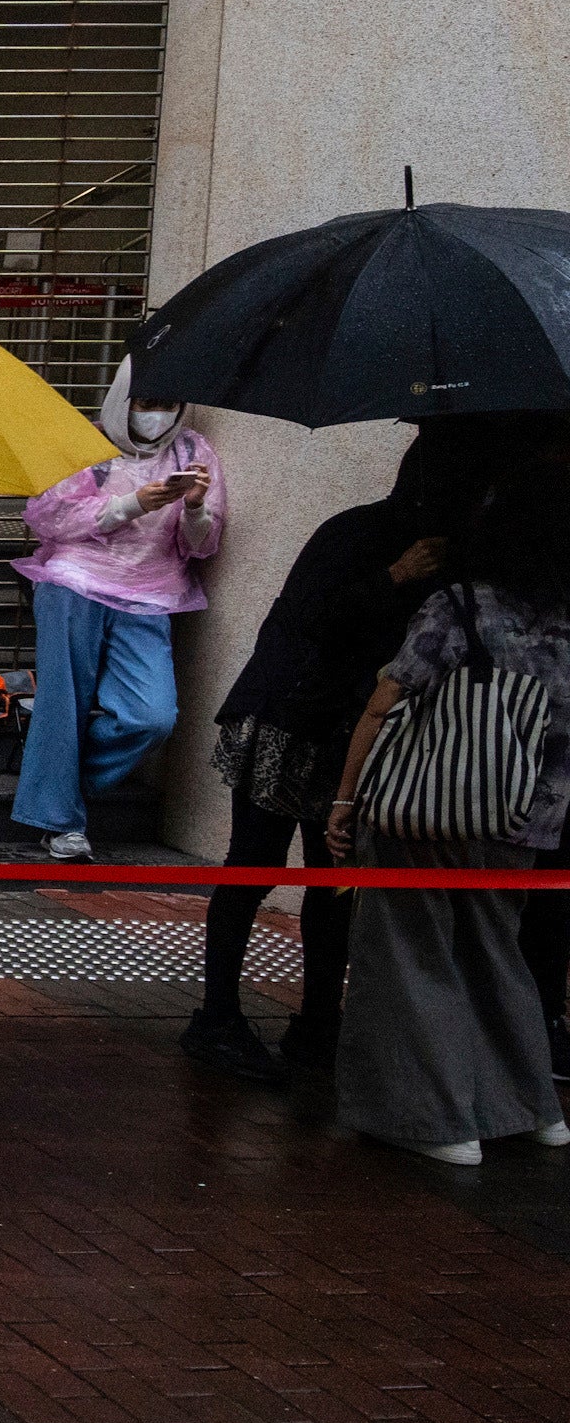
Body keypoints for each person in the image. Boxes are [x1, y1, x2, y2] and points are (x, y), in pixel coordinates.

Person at [188, 422, 491, 1082]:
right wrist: (392, 576)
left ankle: (319, 1024)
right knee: (254, 865)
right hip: (286, 722)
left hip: (346, 733)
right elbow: (304, 620)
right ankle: (215, 1017)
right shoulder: (356, 533)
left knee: (333, 881)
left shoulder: (452, 557)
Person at [329, 445, 570, 1165]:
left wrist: (347, 799)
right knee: (499, 952)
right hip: (528, 817)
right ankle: (532, 1107)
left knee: (412, 953)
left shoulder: (461, 604)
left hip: (429, 810)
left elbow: (386, 700)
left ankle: (434, 1119)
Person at [10, 362, 222, 861]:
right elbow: (51, 519)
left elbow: (203, 544)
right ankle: (59, 820)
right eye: (146, 404)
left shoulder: (193, 451)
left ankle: (58, 776)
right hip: (74, 582)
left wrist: (193, 505)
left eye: (168, 405)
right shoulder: (87, 445)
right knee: (66, 700)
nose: (157, 416)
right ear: (122, 400)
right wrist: (133, 503)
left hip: (151, 594)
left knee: (152, 717)